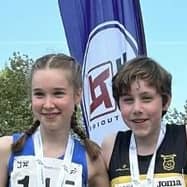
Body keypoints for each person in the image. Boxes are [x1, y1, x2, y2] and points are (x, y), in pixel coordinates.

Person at [0, 53, 109, 187]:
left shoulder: (92, 160)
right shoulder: (7, 149)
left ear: (77, 95)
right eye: (39, 94)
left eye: (58, 93)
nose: (48, 104)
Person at [101, 56, 187, 186]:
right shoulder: (110, 145)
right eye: (128, 100)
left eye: (146, 99)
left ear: (165, 101)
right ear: (118, 104)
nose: (137, 109)